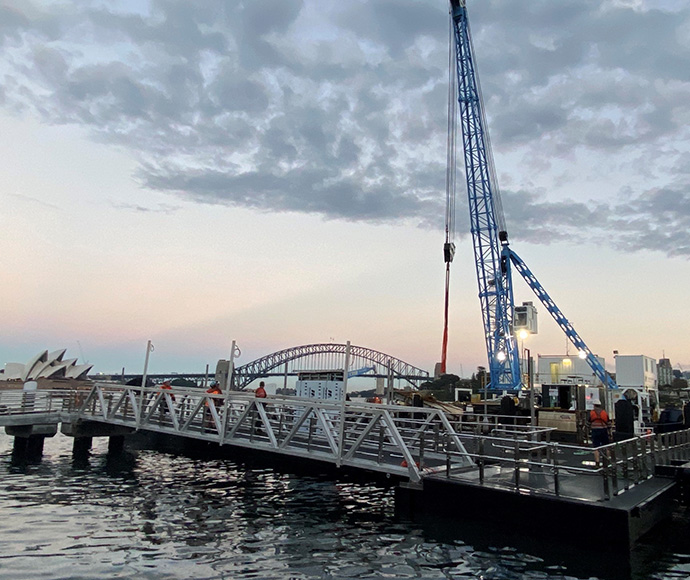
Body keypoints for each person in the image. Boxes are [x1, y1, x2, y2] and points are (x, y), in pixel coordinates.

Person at [589, 399, 611, 465]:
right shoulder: (604, 413)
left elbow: (588, 423)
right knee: (606, 446)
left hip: (595, 431)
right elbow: (609, 423)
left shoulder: (591, 413)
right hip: (604, 431)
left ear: (594, 405)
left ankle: (597, 463)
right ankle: (607, 461)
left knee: (596, 447)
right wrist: (610, 432)